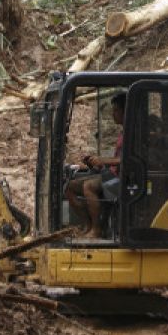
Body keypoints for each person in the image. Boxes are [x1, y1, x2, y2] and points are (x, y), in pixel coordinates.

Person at [64, 93, 125, 237]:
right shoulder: (123, 132)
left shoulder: (134, 132)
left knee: (89, 186)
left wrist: (102, 160)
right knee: (69, 187)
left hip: (124, 179)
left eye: (116, 110)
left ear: (124, 111)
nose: (113, 113)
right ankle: (88, 225)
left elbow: (126, 159)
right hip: (113, 174)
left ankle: (97, 230)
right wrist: (94, 163)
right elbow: (116, 158)